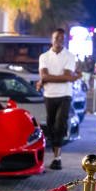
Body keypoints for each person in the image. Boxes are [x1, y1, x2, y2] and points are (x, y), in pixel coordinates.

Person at [37, 28, 81, 170]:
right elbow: (45, 75)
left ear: (65, 40)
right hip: (49, 95)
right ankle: (54, 151)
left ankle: (57, 158)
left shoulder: (70, 56)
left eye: (62, 38)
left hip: (65, 95)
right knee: (50, 125)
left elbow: (66, 76)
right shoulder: (44, 57)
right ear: (52, 39)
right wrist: (66, 78)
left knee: (60, 125)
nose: (59, 41)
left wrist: (49, 78)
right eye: (57, 38)